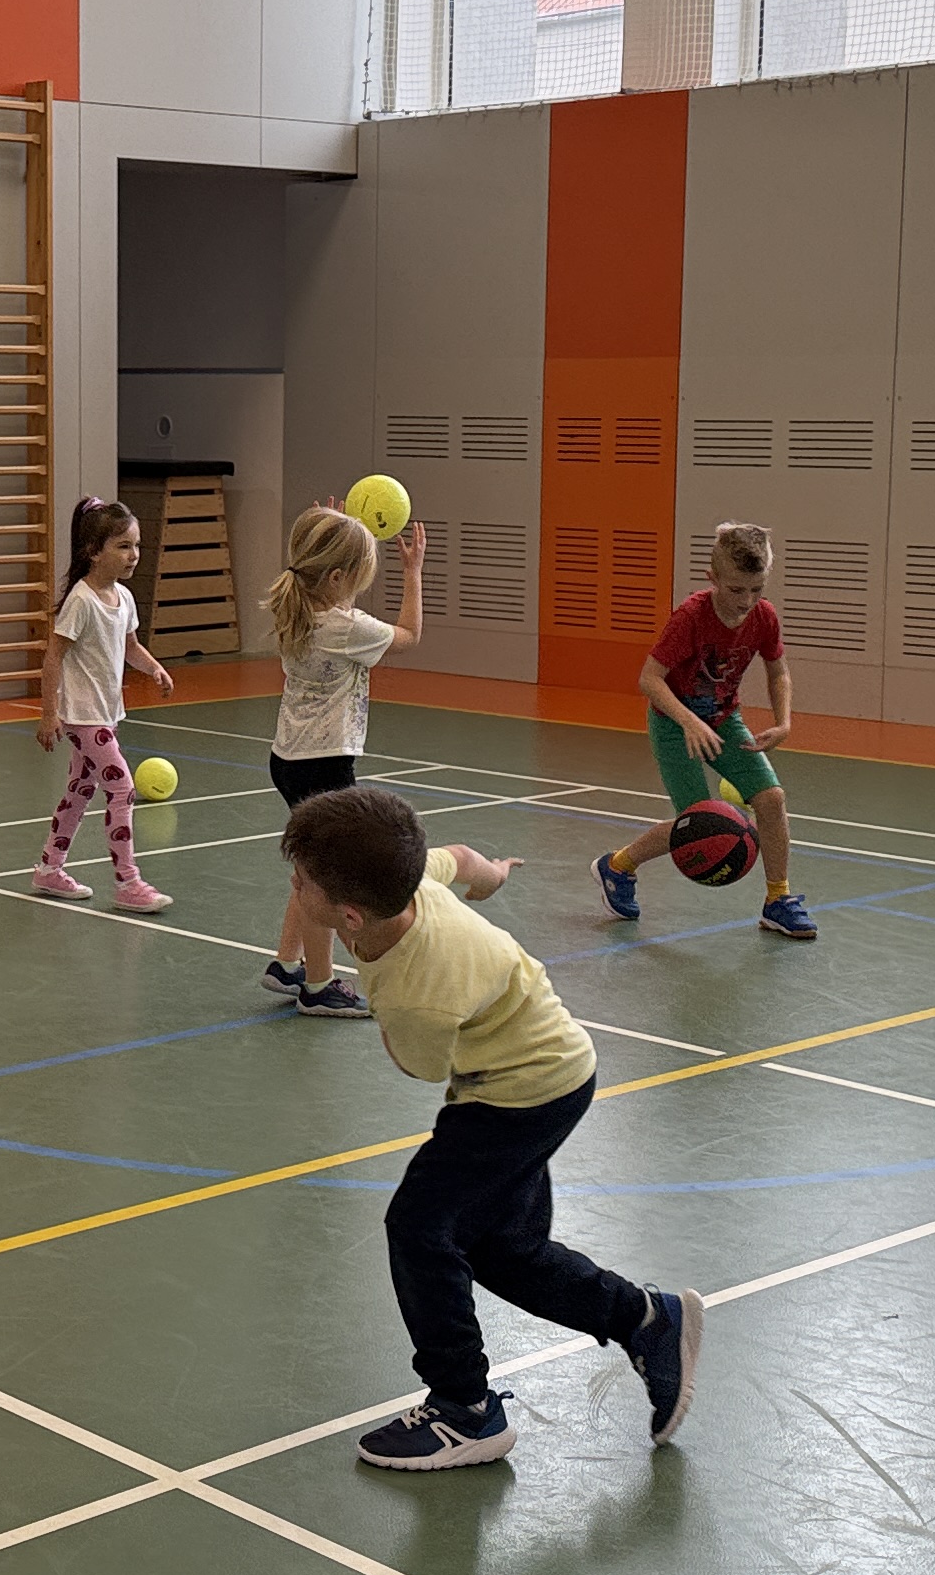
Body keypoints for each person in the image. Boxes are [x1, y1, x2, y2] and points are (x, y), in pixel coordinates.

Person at [279, 783, 704, 1468]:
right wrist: (492, 878)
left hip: (518, 1094)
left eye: (301, 882)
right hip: (547, 1070)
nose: (294, 888)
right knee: (503, 1250)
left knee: (420, 1229)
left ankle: (465, 1410)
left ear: (350, 915)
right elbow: (461, 857)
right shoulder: (411, 880)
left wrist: (389, 1013)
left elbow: (419, 1065)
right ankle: (646, 1321)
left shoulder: (417, 990)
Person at [593, 522, 813, 941]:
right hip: (674, 724)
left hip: (724, 720)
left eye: (757, 589)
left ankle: (778, 900)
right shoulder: (692, 617)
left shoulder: (763, 616)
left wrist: (784, 722)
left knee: (771, 799)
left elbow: (778, 671)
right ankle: (617, 866)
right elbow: (650, 679)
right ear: (712, 578)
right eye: (736, 589)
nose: (746, 601)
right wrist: (688, 721)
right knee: (699, 823)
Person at [257, 502, 424, 1018]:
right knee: (325, 881)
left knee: (310, 863)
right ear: (335, 578)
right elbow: (409, 636)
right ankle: (319, 985)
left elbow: (326, 581)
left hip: (289, 757)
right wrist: (413, 573)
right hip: (325, 762)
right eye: (357, 575)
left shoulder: (295, 605)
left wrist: (328, 532)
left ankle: (287, 963)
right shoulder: (344, 627)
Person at [34, 494, 174, 912]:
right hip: (84, 717)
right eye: (123, 546)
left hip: (106, 714)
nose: (134, 555)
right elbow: (53, 656)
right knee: (122, 788)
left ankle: (49, 868)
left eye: (136, 545)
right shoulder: (81, 600)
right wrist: (49, 713)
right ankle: (128, 882)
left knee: (79, 791)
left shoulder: (124, 598)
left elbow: (130, 647)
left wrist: (154, 668)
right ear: (94, 552)